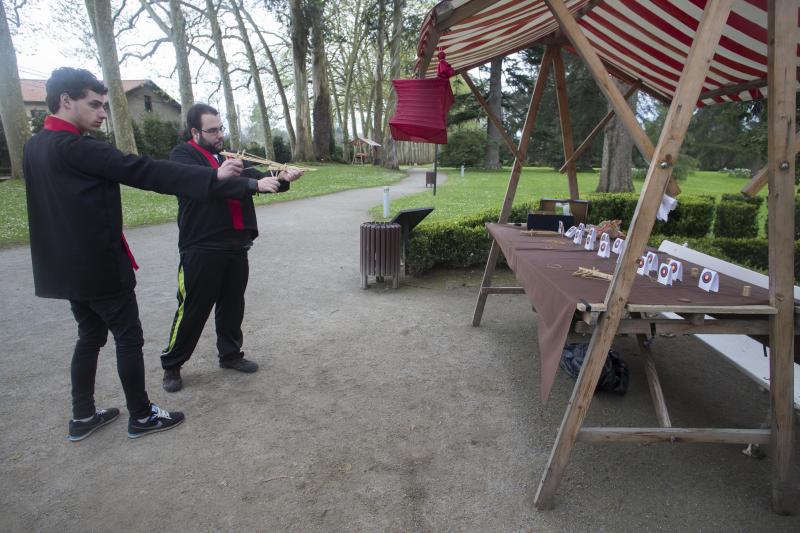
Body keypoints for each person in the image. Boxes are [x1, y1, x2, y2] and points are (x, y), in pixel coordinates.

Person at [23, 68, 281, 441]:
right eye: (94, 104)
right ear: (66, 100)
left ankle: (82, 416)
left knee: (89, 337)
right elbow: (142, 170)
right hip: (98, 265)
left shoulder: (36, 145)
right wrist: (213, 178)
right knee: (128, 338)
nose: (102, 113)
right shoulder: (78, 147)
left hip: (65, 269)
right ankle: (142, 416)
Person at [160, 104, 302, 392]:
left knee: (232, 305)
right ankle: (172, 364)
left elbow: (256, 176)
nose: (219, 135)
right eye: (212, 130)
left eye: (221, 128)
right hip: (201, 246)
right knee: (193, 309)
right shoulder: (183, 156)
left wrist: (281, 178)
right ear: (195, 132)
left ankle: (230, 354)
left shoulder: (226, 155)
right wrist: (253, 184)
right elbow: (212, 186)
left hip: (236, 244)